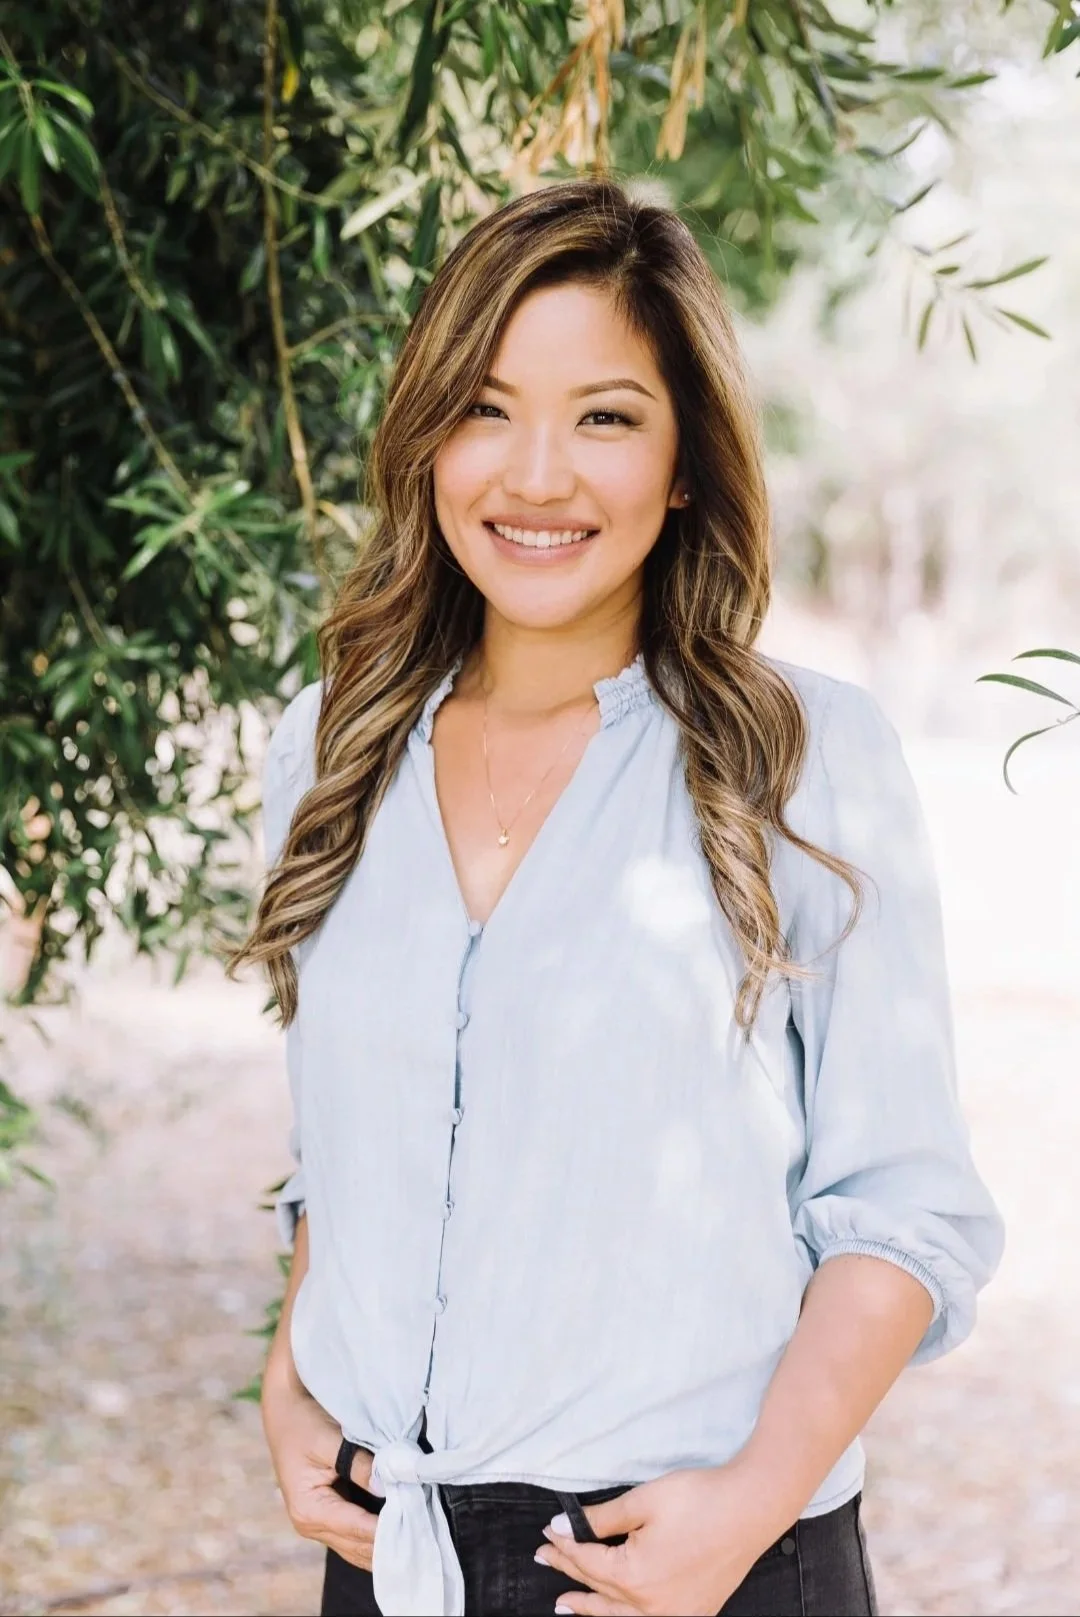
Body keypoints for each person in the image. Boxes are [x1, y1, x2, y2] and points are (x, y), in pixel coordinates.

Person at [227, 176, 1004, 1617]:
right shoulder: (328, 745)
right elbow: (347, 1141)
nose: (536, 476)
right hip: (392, 1556)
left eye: (605, 417)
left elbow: (902, 1212)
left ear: (687, 461)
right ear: (426, 436)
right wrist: (291, 1383)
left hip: (702, 1559)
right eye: (486, 407)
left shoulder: (804, 758)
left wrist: (748, 1509)